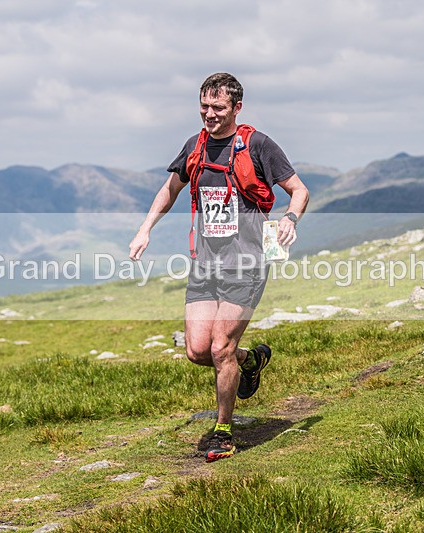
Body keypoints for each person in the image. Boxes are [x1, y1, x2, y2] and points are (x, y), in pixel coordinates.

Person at [129, 73, 309, 462]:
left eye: (218, 107)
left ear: (237, 108)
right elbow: (170, 189)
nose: (209, 114)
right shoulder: (195, 146)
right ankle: (252, 360)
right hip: (205, 264)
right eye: (204, 107)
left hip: (247, 262)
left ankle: (223, 432)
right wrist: (145, 229)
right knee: (198, 351)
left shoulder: (258, 145)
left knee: (220, 347)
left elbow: (299, 190)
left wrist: (290, 219)